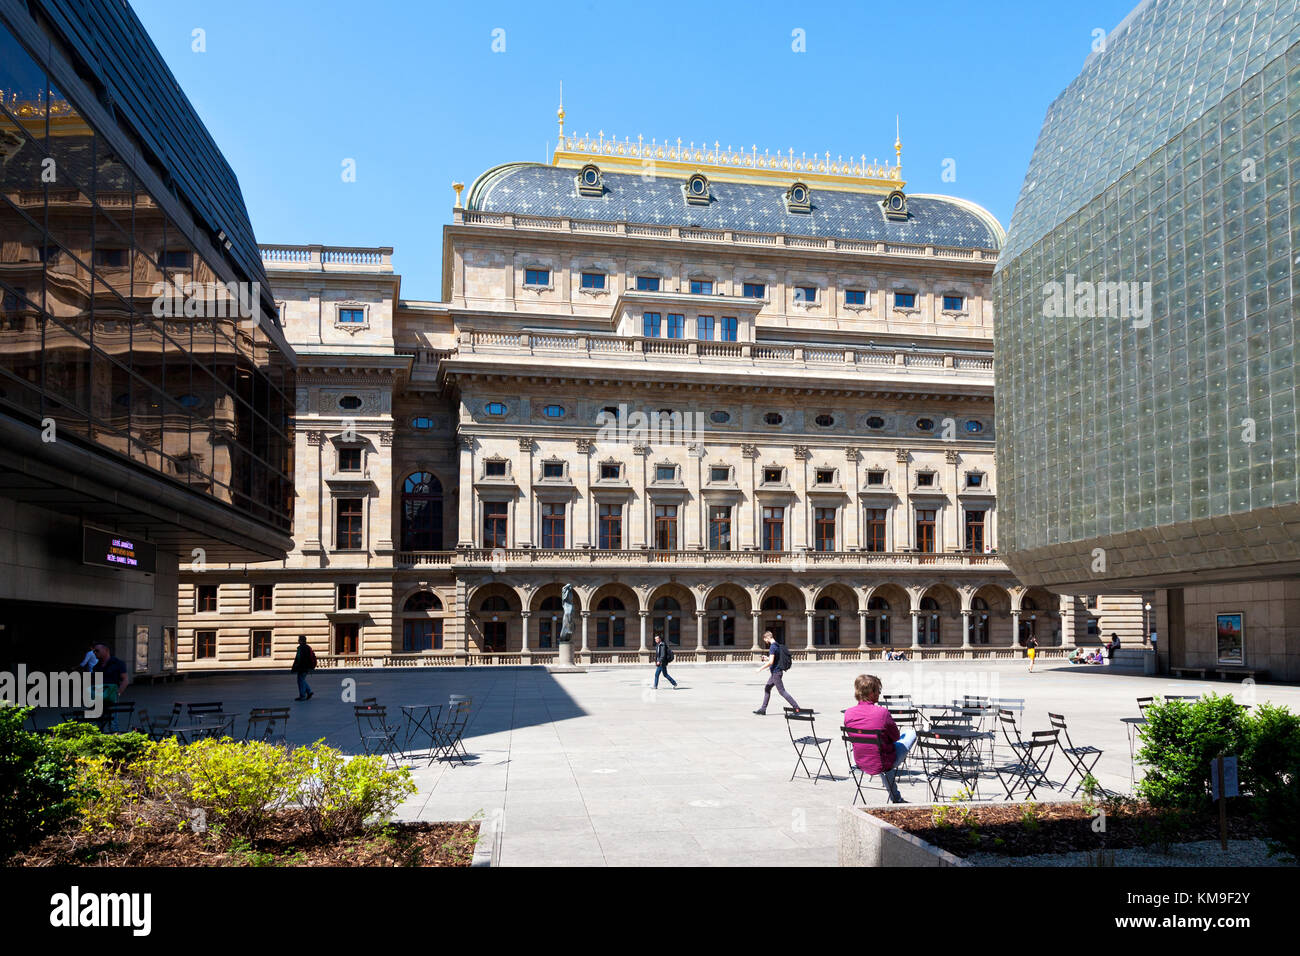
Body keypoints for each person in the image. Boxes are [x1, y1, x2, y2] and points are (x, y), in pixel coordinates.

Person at [843, 674, 915, 803]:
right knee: (910, 733)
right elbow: (895, 737)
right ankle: (896, 798)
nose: (880, 693)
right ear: (871, 692)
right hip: (884, 761)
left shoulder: (848, 713)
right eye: (878, 690)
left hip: (861, 760)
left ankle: (896, 797)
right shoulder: (882, 712)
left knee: (880, 751)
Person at [753, 631, 801, 715]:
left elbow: (771, 662)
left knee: (782, 691)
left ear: (767, 638)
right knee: (767, 688)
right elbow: (775, 659)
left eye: (765, 640)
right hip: (776, 673)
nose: (765, 642)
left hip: (776, 673)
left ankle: (796, 708)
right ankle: (763, 709)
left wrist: (760, 668)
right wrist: (767, 658)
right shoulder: (777, 645)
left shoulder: (772, 647)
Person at [89, 642, 128, 731]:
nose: (95, 653)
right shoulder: (96, 667)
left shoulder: (117, 663)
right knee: (99, 721)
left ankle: (114, 737)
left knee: (113, 721)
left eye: (97, 651)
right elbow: (92, 682)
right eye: (94, 651)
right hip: (98, 696)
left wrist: (118, 693)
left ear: (106, 650)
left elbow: (125, 680)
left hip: (111, 695)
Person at [291, 635, 316, 701]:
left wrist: (294, 667)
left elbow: (298, 659)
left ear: (301, 640)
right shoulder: (308, 647)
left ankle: (302, 696)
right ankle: (309, 692)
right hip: (307, 667)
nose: (298, 640)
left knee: (300, 680)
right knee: (302, 680)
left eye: (299, 639)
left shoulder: (300, 648)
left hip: (302, 667)